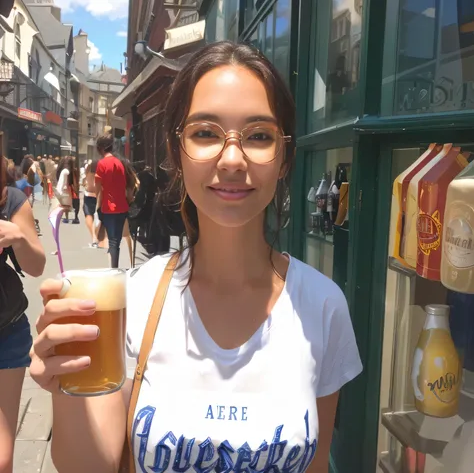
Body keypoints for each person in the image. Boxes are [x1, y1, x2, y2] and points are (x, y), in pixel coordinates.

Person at [29, 42, 362, 472]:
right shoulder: (134, 298)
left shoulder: (322, 306)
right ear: (177, 153)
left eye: (259, 136)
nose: (232, 159)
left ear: (284, 157)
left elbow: (314, 464)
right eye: (205, 133)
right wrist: (65, 385)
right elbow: (92, 465)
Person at [0, 156, 45, 473]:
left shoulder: (11, 198)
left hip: (6, 330)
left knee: (1, 457)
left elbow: (37, 265)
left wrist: (18, 238)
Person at [94, 134, 129, 268]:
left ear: (101, 148)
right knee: (116, 241)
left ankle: (114, 268)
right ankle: (115, 265)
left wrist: (98, 206)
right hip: (122, 206)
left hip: (109, 207)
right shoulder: (119, 163)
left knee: (113, 241)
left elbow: (98, 189)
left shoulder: (102, 164)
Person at [83, 160, 99, 248]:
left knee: (89, 215)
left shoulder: (88, 171)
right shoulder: (101, 173)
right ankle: (95, 236)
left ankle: (94, 236)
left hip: (89, 194)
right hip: (99, 195)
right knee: (97, 216)